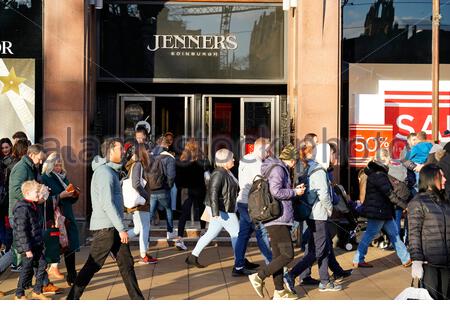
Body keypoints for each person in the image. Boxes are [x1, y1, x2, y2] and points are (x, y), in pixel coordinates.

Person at [67, 138, 144, 300]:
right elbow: (107, 203)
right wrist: (121, 228)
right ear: (110, 151)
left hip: (112, 227)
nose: (123, 151)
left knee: (126, 264)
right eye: (120, 149)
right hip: (106, 229)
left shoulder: (111, 172)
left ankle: (138, 300)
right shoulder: (104, 173)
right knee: (92, 265)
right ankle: (71, 299)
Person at [284, 143, 343, 293]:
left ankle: (324, 281)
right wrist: (330, 209)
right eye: (331, 154)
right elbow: (323, 195)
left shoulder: (311, 168)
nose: (333, 157)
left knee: (319, 248)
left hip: (312, 215)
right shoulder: (320, 171)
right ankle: (292, 274)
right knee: (319, 250)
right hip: (318, 215)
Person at [248, 144, 304, 300]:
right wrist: (295, 192)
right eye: (295, 160)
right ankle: (259, 276)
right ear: (291, 159)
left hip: (276, 218)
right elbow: (275, 191)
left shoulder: (277, 167)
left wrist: (294, 189)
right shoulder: (279, 169)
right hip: (278, 218)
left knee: (278, 257)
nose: (295, 163)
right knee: (288, 255)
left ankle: (279, 291)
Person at [352, 152, 411, 268]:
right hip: (379, 212)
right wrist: (405, 206)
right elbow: (390, 195)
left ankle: (406, 258)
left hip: (382, 211)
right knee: (370, 235)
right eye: (388, 158)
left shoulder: (376, 174)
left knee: (394, 235)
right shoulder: (379, 175)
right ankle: (358, 259)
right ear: (382, 160)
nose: (389, 161)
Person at [185, 148, 239, 268]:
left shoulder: (226, 172)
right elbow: (213, 192)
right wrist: (215, 212)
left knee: (210, 234)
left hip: (220, 209)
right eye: (231, 158)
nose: (234, 160)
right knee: (237, 234)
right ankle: (239, 262)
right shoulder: (219, 173)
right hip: (222, 209)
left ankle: (193, 257)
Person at [408, 164, 450, 300]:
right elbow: (414, 234)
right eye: (441, 176)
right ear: (431, 178)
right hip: (429, 264)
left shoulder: (445, 202)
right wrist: (417, 260)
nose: (445, 179)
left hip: (447, 263)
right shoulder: (418, 202)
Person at [232, 137, 272, 277]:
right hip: (253, 203)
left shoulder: (245, 159)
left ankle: (238, 266)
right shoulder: (257, 163)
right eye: (267, 150)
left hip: (243, 201)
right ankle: (272, 263)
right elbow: (263, 183)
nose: (269, 153)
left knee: (243, 235)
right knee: (262, 233)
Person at [41, 152, 80, 285]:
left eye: (60, 165)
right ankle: (41, 279)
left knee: (71, 246)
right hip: (55, 219)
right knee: (53, 248)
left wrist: (74, 194)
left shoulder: (64, 177)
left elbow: (70, 199)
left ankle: (72, 275)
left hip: (67, 217)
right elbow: (44, 201)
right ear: (50, 166)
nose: (59, 167)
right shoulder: (45, 178)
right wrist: (60, 196)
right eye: (56, 165)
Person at [8, 144, 46, 273]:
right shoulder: (22, 168)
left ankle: (39, 283)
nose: (41, 162)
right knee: (27, 250)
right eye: (39, 159)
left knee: (33, 251)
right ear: (31, 155)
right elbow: (15, 190)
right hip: (21, 213)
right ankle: (26, 286)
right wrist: (35, 198)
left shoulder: (31, 167)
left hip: (28, 211)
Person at [13, 180, 50, 300]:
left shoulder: (33, 204)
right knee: (27, 269)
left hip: (36, 243)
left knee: (42, 264)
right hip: (28, 246)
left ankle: (37, 291)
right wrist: (27, 249)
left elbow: (42, 199)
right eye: (36, 192)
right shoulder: (22, 208)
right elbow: (21, 230)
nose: (38, 194)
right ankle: (19, 293)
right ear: (27, 193)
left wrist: (45, 193)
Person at [175, 138, 210, 251]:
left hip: (186, 189)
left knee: (184, 214)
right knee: (201, 210)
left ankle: (179, 238)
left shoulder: (181, 161)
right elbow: (208, 174)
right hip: (199, 188)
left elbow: (177, 178)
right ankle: (203, 233)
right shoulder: (202, 160)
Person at [125, 143, 158, 264]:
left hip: (138, 202)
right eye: (148, 151)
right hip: (140, 202)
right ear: (143, 152)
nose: (150, 153)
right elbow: (136, 183)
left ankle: (118, 242)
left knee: (139, 228)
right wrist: (146, 196)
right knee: (145, 228)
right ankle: (143, 255)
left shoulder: (134, 164)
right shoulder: (138, 164)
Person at [149, 136, 176, 240]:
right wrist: (168, 186)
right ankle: (170, 232)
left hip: (151, 189)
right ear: (166, 145)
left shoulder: (150, 155)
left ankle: (145, 236)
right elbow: (171, 176)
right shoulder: (169, 157)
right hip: (163, 189)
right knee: (168, 209)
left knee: (150, 214)